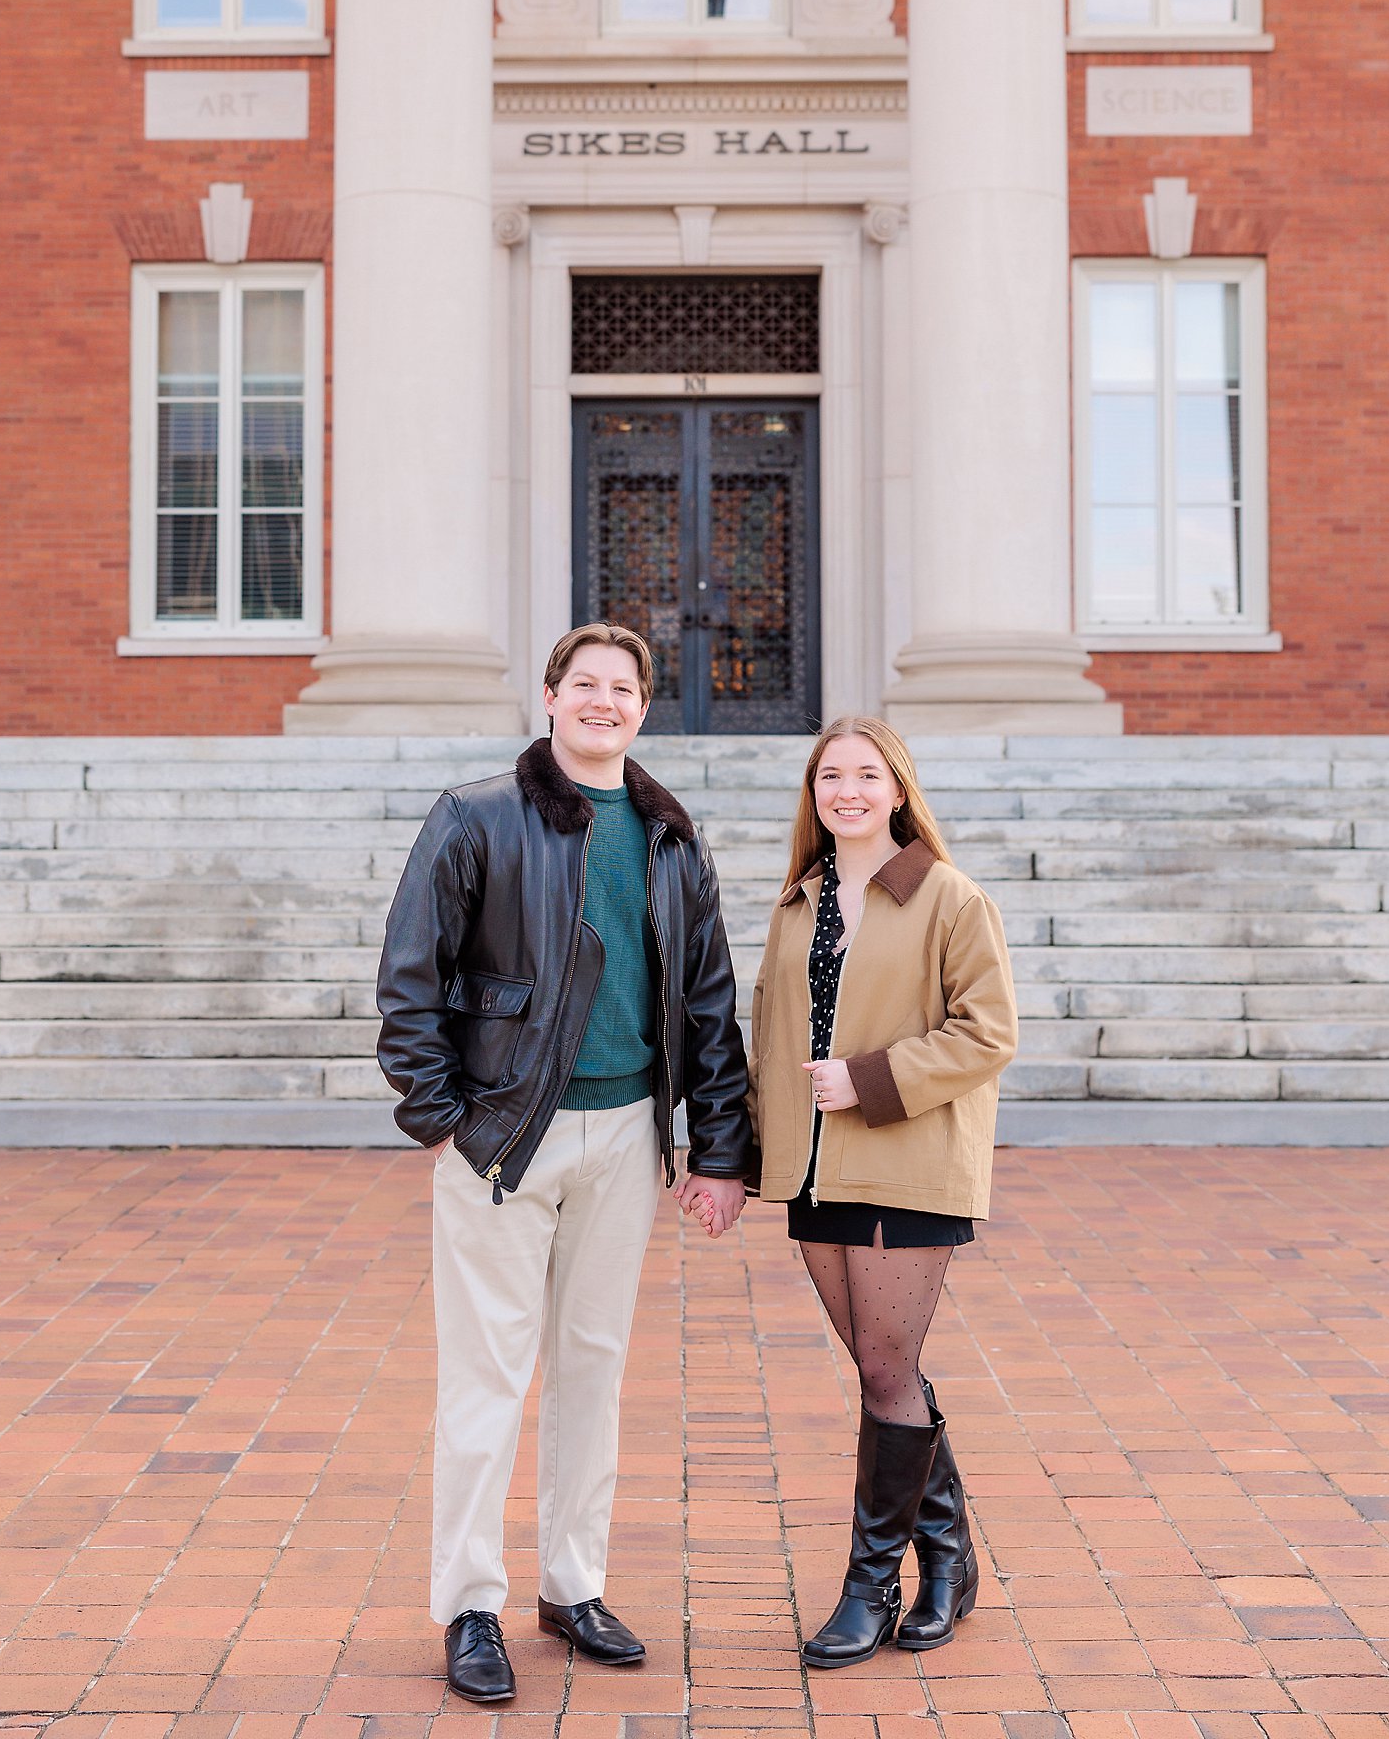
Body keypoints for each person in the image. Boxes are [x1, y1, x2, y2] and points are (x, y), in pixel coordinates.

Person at [377, 623, 751, 1705]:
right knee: (486, 1376)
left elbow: (710, 1002)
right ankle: (470, 1604)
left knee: (593, 1366)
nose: (603, 701)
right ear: (549, 697)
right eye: (584, 683)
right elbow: (410, 977)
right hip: (504, 1137)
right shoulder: (477, 816)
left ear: (644, 708)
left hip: (627, 1135)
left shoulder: (671, 837)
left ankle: (573, 1585)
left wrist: (719, 1147)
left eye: (622, 687)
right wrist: (443, 1120)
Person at [743, 716, 1017, 1669]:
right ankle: (948, 1562)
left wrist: (868, 1079)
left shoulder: (948, 896)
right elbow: (769, 1037)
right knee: (882, 1372)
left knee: (886, 1370)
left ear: (898, 789)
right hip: (815, 1170)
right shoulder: (798, 903)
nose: (847, 791)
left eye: (866, 775)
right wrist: (741, 1156)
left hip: (908, 1158)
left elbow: (988, 1032)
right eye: (830, 776)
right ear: (813, 794)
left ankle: (871, 1589)